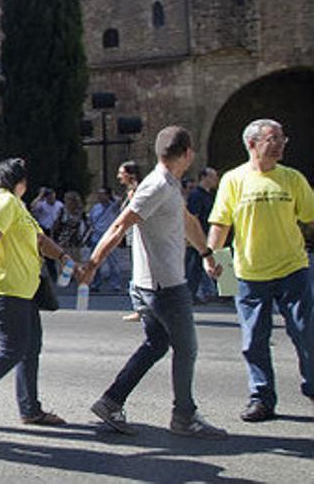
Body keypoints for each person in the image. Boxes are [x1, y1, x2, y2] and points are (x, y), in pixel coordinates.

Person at [78, 126, 227, 439]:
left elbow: (188, 221)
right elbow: (120, 225)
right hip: (164, 286)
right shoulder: (157, 185)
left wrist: (207, 253)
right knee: (187, 348)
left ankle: (111, 401)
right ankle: (184, 416)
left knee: (156, 344)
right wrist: (92, 264)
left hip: (155, 285)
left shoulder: (169, 185)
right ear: (186, 153)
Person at [206, 119, 314, 422]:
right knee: (253, 340)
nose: (280, 144)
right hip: (249, 275)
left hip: (293, 270)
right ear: (252, 144)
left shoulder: (292, 179)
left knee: (306, 333)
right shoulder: (233, 179)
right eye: (273, 138)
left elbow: (310, 215)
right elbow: (221, 223)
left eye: (282, 138)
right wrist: (214, 261)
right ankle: (261, 398)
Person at [0, 158, 69, 428]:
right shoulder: (5, 201)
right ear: (19, 181)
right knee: (13, 349)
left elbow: (40, 240)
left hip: (24, 291)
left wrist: (65, 257)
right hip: (7, 289)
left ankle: (30, 409)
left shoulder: (18, 206)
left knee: (30, 348)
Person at [185, 167, 219, 303]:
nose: (216, 180)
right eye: (213, 177)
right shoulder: (196, 195)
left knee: (221, 261)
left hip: (213, 235)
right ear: (204, 177)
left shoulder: (210, 195)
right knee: (195, 267)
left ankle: (226, 293)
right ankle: (190, 295)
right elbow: (193, 217)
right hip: (201, 237)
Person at [117, 161, 146, 322]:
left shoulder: (137, 192)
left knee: (137, 271)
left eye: (122, 173)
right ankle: (141, 307)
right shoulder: (132, 191)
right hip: (132, 236)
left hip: (137, 237)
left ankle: (140, 308)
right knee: (137, 271)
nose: (119, 176)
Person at [86, 188, 120, 293]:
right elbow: (90, 220)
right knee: (95, 261)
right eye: (99, 194)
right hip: (96, 236)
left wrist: (112, 195)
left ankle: (116, 284)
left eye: (102, 194)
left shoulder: (113, 206)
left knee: (113, 262)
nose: (100, 197)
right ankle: (96, 283)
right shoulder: (96, 208)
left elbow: (120, 200)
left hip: (109, 236)